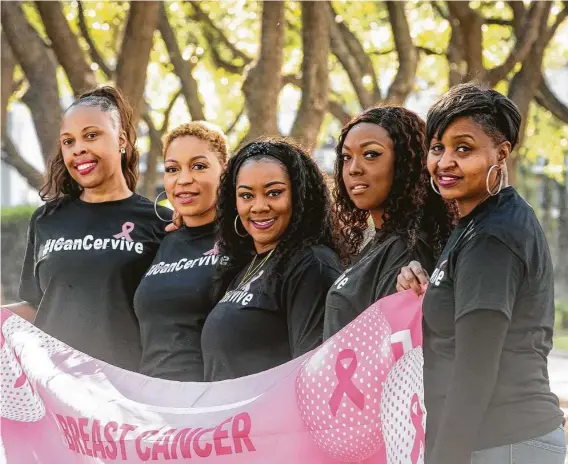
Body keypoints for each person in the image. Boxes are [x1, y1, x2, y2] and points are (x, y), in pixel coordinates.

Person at [396, 84, 566, 463]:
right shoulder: (477, 223)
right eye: (437, 148)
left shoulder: (493, 234)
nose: (444, 162)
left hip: (505, 444)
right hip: (489, 442)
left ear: (501, 153)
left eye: (464, 148)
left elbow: (474, 367)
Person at [7, 86, 171, 372]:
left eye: (91, 136)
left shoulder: (160, 223)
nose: (78, 148)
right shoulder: (47, 219)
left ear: (121, 140)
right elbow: (36, 307)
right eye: (68, 142)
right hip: (57, 390)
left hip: (124, 392)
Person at [201, 139, 342, 381]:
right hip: (230, 418)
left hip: (274, 418)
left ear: (300, 196)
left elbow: (311, 372)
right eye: (246, 195)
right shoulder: (247, 265)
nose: (259, 206)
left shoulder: (311, 264)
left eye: (274, 193)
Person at [323, 106, 454, 339]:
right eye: (346, 157)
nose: (354, 169)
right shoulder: (380, 241)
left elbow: (388, 349)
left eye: (371, 154)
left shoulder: (406, 250)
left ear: (406, 163)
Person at [133, 122, 228, 381]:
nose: (184, 179)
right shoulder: (165, 240)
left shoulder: (242, 240)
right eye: (173, 169)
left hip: (213, 408)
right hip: (153, 408)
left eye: (199, 166)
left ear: (225, 172)